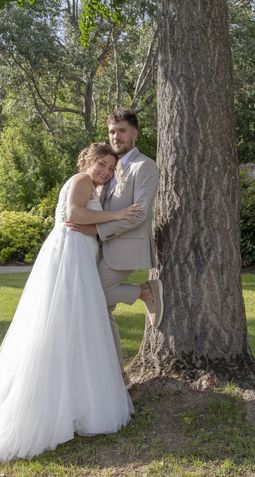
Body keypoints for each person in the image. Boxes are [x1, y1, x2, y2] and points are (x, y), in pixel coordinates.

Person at [0, 143, 141, 464]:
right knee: (62, 325)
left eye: (110, 168)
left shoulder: (89, 186)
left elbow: (86, 225)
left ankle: (76, 399)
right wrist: (118, 213)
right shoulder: (81, 180)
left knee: (76, 327)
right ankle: (52, 403)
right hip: (70, 260)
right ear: (88, 161)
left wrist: (98, 223)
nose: (105, 171)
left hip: (77, 256)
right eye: (102, 164)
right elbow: (73, 215)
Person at [67, 108, 163, 374]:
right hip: (100, 250)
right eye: (112, 131)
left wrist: (97, 230)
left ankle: (144, 291)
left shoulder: (145, 166)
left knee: (88, 295)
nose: (116, 136)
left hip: (125, 249)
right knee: (100, 310)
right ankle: (115, 377)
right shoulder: (108, 168)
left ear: (134, 132)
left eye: (121, 130)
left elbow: (138, 215)